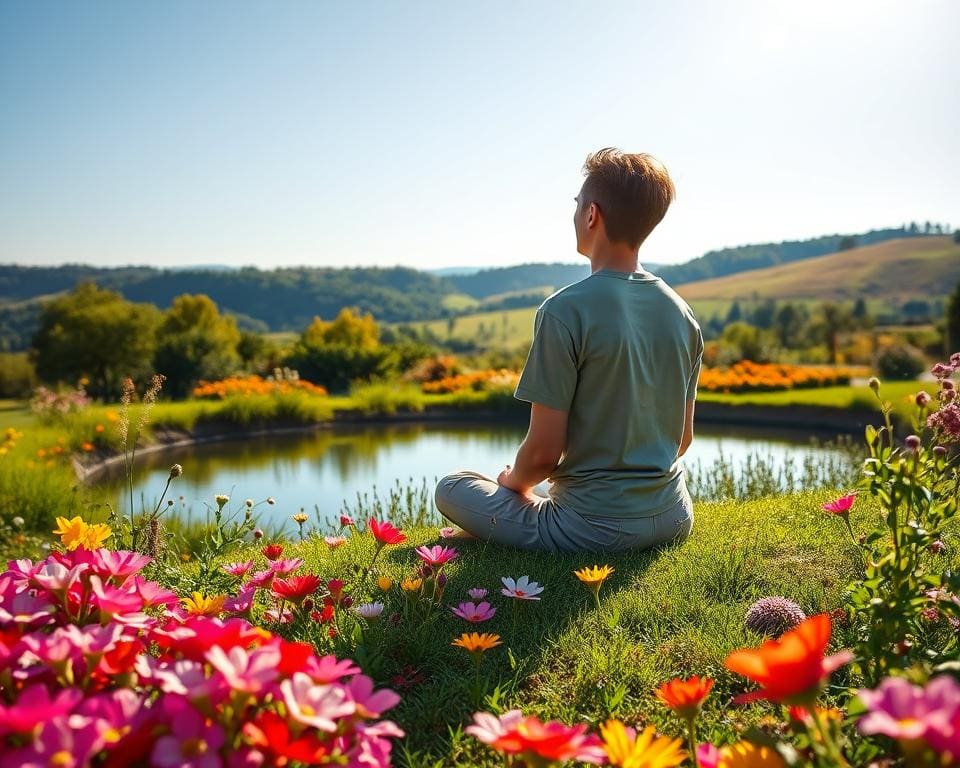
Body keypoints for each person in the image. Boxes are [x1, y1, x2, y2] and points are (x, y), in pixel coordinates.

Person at [434, 148, 702, 553]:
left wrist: (511, 483)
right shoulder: (682, 314)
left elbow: (542, 454)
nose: (576, 214)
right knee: (539, 482)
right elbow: (681, 440)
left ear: (592, 215)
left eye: (577, 205)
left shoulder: (564, 310)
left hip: (593, 529)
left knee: (452, 487)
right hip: (674, 516)